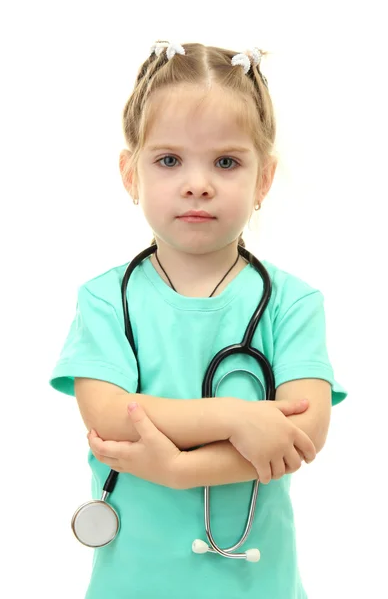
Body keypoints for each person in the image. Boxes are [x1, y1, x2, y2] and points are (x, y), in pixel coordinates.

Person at [49, 40, 348, 599]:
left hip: (258, 584)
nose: (197, 183)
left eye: (227, 162)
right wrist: (237, 418)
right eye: (168, 160)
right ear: (130, 173)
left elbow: (304, 433)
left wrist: (183, 469)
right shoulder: (105, 298)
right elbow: (111, 416)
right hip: (135, 582)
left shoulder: (294, 302)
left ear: (264, 180)